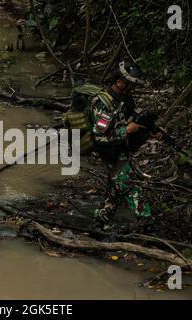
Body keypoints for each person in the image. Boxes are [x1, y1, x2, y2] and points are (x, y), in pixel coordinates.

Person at [65, 60, 160, 227]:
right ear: (119, 82)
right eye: (129, 85)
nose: (132, 90)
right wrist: (127, 130)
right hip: (108, 150)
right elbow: (100, 138)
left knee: (116, 186)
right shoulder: (103, 104)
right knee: (128, 184)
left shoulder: (124, 100)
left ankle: (102, 217)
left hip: (120, 148)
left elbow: (131, 119)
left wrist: (147, 129)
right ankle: (145, 219)